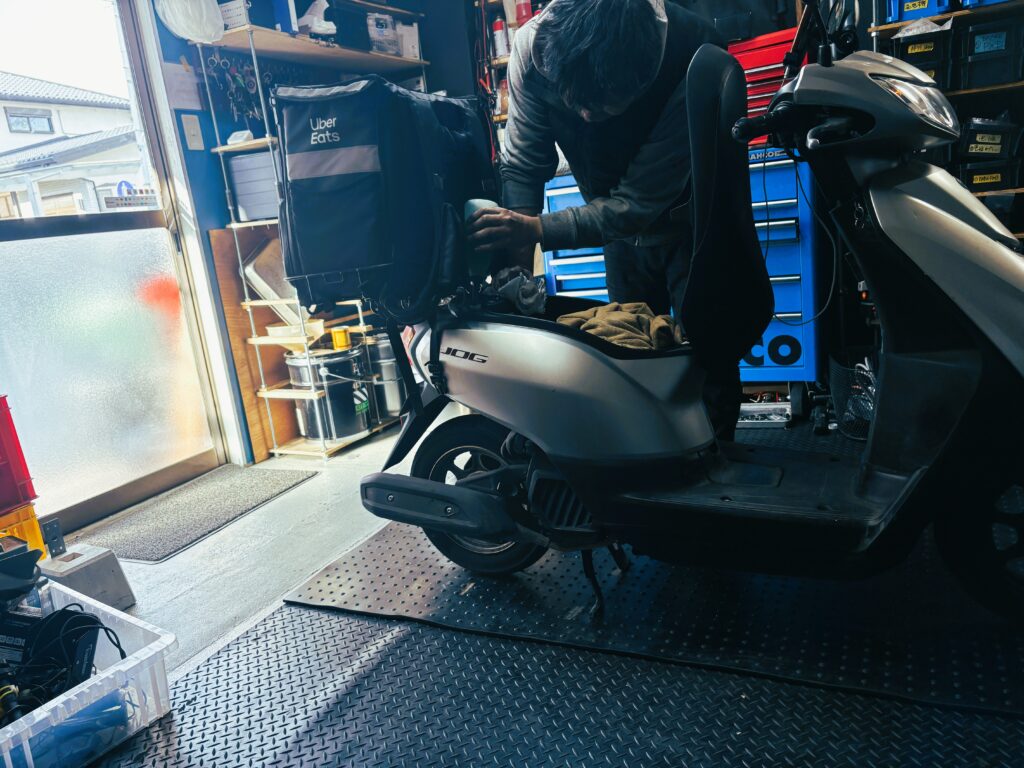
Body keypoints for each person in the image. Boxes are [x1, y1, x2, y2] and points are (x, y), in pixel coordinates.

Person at [467, 0, 743, 439]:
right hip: (619, 237)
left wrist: (539, 230)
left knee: (710, 363)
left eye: (602, 107)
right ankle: (649, 469)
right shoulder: (533, 49)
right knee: (630, 363)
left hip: (692, 225)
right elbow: (523, 167)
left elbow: (639, 201)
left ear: (641, 74)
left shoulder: (694, 53)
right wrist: (515, 278)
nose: (585, 117)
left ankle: (716, 463)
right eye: (573, 102)